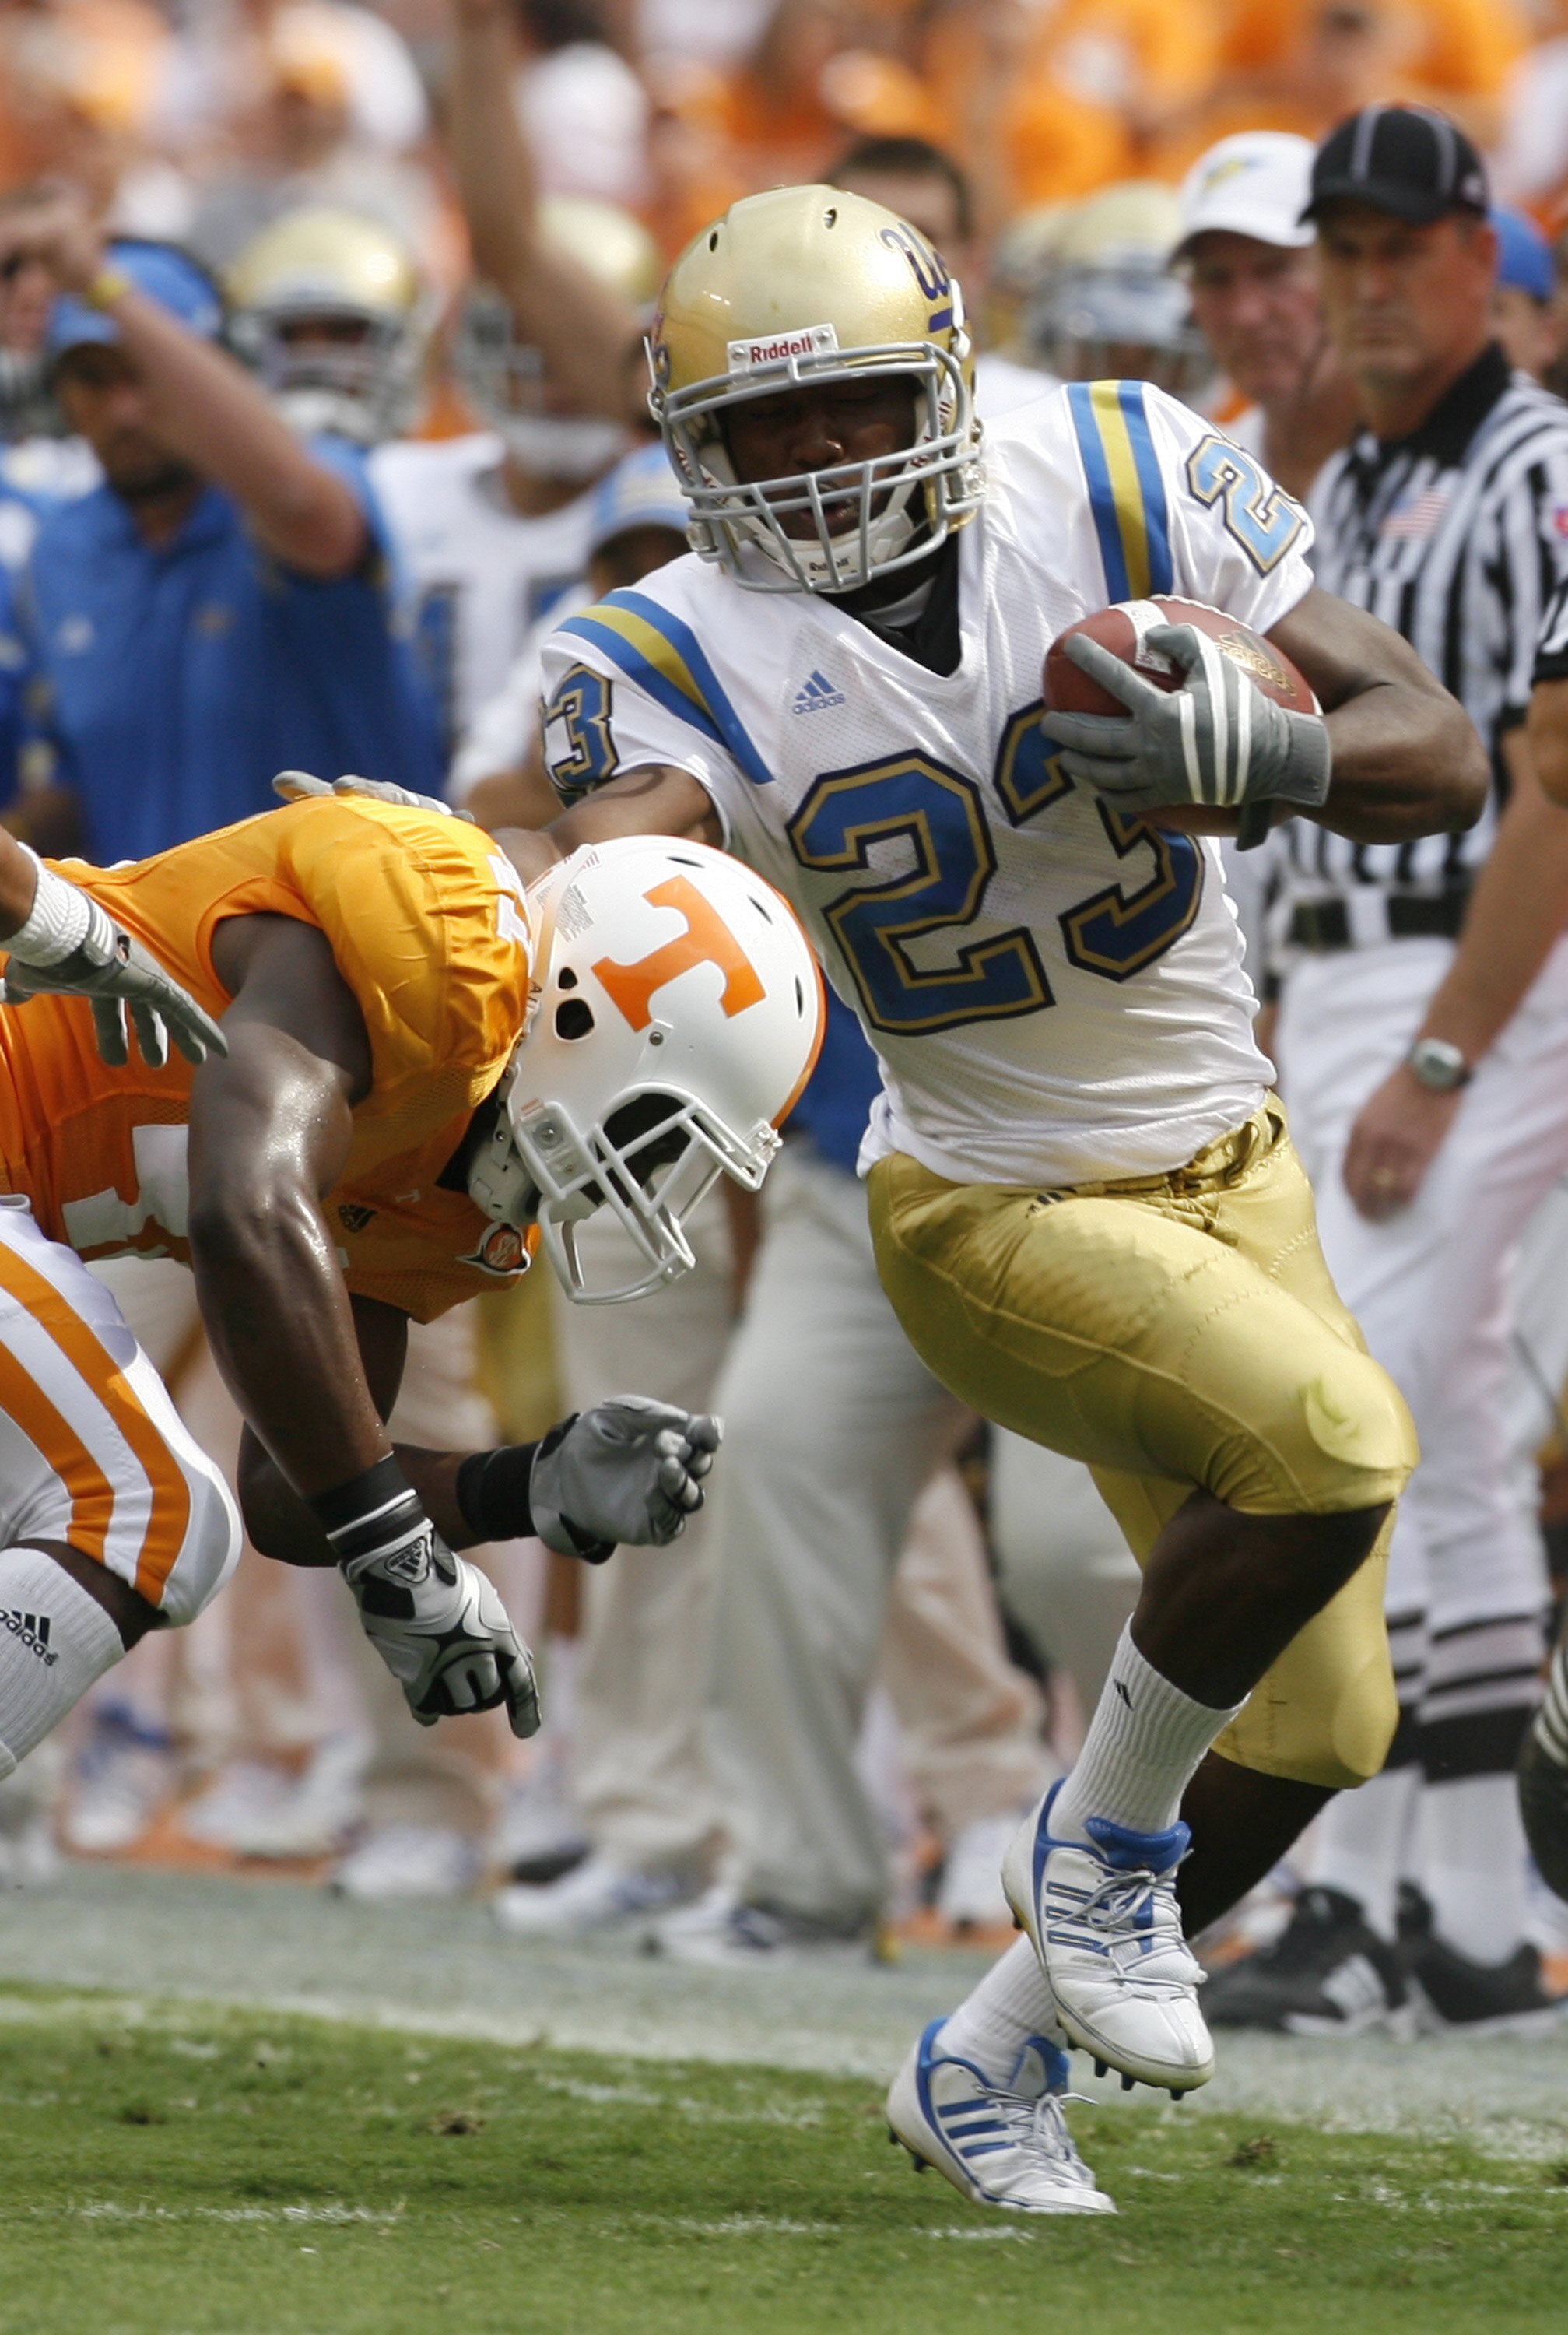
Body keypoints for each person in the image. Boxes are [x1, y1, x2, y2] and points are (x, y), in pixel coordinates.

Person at [503, 181, 1482, 2211]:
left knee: (1318, 1724)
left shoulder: (1112, 460)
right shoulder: (661, 637)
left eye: (845, 409)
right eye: (755, 431)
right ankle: (1099, 1859)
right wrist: (608, 951)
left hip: (1236, 1158)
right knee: (1332, 1442)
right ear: (691, 449)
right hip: (981, 1198)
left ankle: (984, 2057)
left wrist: (1271, 752)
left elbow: (1439, 750)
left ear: (938, 380)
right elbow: (629, 865)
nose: (805, 462)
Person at [0, 784, 819, 1801]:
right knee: (145, 1514)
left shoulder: (454, 1176)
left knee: (163, 1511)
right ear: (585, 1011)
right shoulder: (448, 948)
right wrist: (389, 1543)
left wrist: (522, 1486)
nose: (639, 1178)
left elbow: (296, 1492)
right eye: (652, 1133)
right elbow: (244, 1203)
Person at [1210, 104, 1568, 2041]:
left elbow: (1552, 782)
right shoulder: (1338, 486)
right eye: (1330, 245)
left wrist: (1441, 1052)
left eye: (1390, 243)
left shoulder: (1533, 462)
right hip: (1356, 964)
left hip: (1475, 963)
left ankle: (1337, 1892)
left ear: (1475, 256)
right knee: (1434, 1460)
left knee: (1350, 1413)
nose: (1354, 279)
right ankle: (1473, 1917)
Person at [0, 195, 442, 863]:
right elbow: (79, 784)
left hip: (357, 945)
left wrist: (100, 287)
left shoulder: (304, 486)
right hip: (153, 958)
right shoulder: (62, 552)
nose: (125, 409)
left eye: (145, 372)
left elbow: (300, 506)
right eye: (93, 376)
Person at [1175, 130, 1361, 503]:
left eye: (1275, 271)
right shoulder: (1190, 489)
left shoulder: (1453, 472)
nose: (1246, 315)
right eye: (1216, 279)